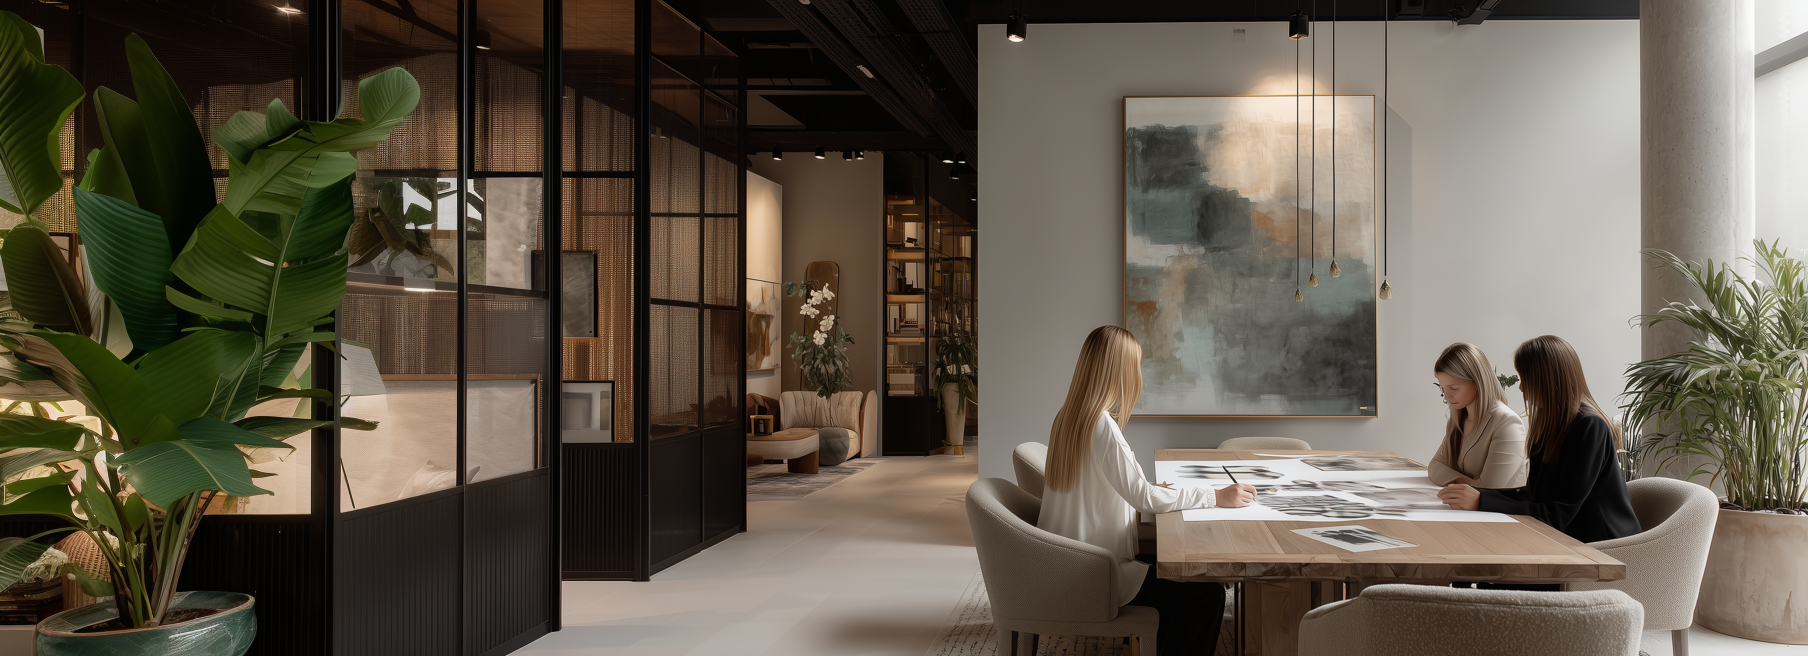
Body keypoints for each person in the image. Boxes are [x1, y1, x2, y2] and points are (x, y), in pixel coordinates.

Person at [1039, 326, 1255, 656]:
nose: (1139, 373)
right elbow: (1143, 497)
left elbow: (1116, 489)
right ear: (1120, 371)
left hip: (1064, 566)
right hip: (1096, 576)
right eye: (1136, 365)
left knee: (1178, 572)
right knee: (1207, 594)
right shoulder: (1102, 426)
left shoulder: (1067, 417)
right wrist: (1216, 496)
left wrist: (1153, 491)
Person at [1437, 335, 1640, 544]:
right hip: (1564, 537)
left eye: (1525, 378)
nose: (1521, 388)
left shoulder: (1590, 428)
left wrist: (1482, 500)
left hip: (1602, 547)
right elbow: (1534, 495)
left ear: (1548, 380)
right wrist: (1477, 494)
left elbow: (1556, 515)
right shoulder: (1548, 428)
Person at [1427, 343, 1528, 490]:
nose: (1447, 396)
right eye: (1443, 388)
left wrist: (1455, 479)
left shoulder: (1507, 423)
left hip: (1499, 513)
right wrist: (1470, 483)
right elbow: (1434, 466)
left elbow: (1489, 489)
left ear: (1478, 382)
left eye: (1453, 388)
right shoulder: (1456, 421)